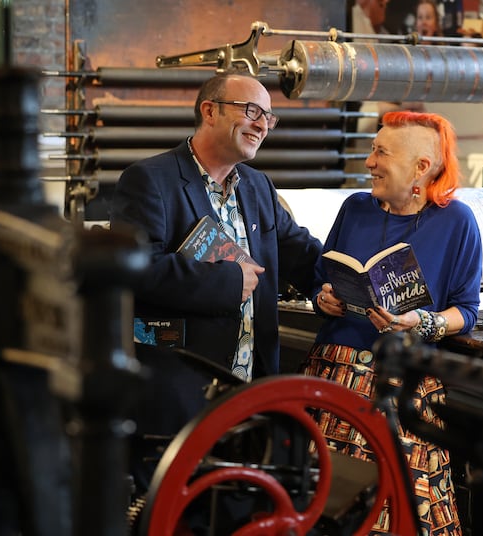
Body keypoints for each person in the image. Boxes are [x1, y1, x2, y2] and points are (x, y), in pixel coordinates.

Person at [109, 72, 323, 493]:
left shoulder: (258, 187)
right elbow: (136, 269)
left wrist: (344, 281)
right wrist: (227, 282)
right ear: (209, 111)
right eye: (251, 111)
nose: (262, 124)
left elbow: (300, 251)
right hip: (177, 392)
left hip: (247, 392)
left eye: (269, 116)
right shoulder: (150, 180)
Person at [302, 111, 482, 535]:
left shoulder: (457, 223)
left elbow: (466, 311)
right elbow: (319, 281)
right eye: (371, 150)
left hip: (404, 383)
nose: (369, 162)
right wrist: (323, 298)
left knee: (401, 509)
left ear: (421, 167)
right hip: (333, 374)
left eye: (381, 152)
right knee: (317, 504)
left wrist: (423, 323)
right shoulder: (355, 208)